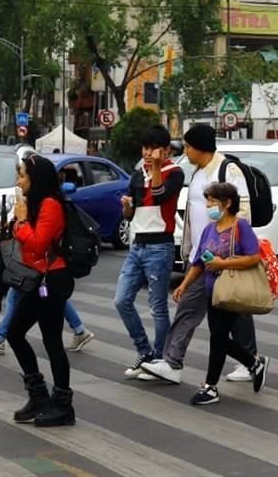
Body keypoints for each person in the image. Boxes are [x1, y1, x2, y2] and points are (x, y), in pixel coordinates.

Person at [140, 123, 259, 385]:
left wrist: (229, 254)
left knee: (236, 309)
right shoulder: (196, 172)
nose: (187, 151)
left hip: (223, 257)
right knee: (187, 310)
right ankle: (172, 362)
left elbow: (243, 213)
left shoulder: (227, 169)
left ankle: (249, 360)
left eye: (189, 146)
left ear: (199, 148)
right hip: (200, 255)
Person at [174, 182, 269, 406]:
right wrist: (184, 285)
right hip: (212, 292)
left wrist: (222, 264)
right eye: (208, 201)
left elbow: (255, 257)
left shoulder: (240, 226)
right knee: (218, 337)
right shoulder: (210, 229)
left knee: (217, 338)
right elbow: (198, 262)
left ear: (227, 203)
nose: (209, 206)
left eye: (213, 202)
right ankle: (254, 362)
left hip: (231, 291)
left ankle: (210, 386)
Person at [6, 153, 76, 427]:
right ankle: (38, 396)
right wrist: (15, 221)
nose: (19, 180)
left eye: (22, 175)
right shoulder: (34, 204)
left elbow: (37, 243)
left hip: (52, 279)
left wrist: (22, 222)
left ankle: (62, 405)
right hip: (37, 278)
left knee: (52, 341)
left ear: (36, 179)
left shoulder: (50, 205)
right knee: (14, 332)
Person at [116, 125, 184, 377]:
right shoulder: (137, 175)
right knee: (122, 300)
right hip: (138, 245)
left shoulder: (174, 173)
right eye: (145, 148)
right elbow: (131, 213)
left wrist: (155, 167)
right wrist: (127, 208)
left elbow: (158, 195)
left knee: (157, 306)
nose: (148, 153)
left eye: (153, 148)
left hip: (160, 246)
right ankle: (144, 351)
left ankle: (160, 359)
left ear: (166, 150)